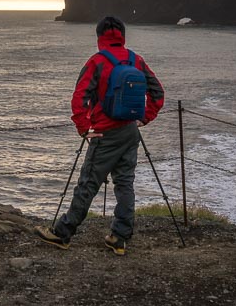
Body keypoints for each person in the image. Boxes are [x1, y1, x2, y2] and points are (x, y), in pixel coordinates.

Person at [35, 15, 164, 255]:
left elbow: (79, 97)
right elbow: (158, 92)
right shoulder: (137, 61)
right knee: (125, 183)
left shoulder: (97, 62)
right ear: (123, 37)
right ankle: (120, 237)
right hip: (130, 131)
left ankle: (63, 233)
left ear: (99, 37)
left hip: (104, 133)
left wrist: (84, 127)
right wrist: (145, 117)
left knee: (88, 184)